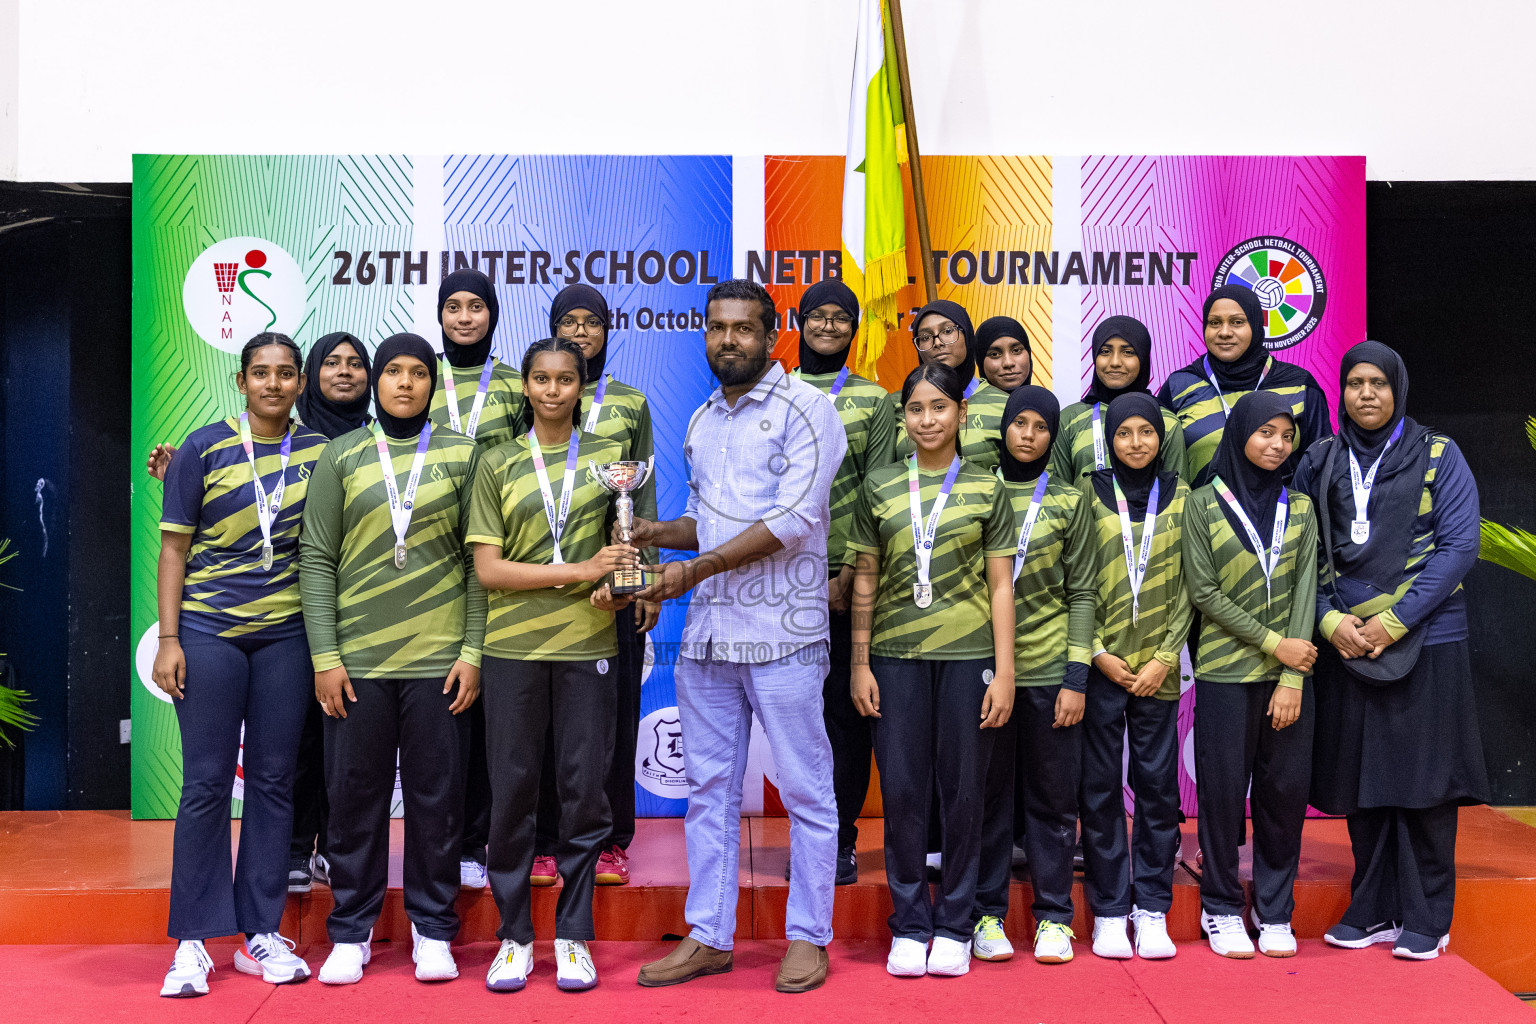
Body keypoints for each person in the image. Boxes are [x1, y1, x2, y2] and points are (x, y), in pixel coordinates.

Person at [627, 279, 845, 994]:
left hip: (784, 635)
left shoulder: (809, 411)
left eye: (743, 329)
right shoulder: (701, 418)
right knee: (709, 791)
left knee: (808, 792)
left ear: (771, 333)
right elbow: (709, 518)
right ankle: (709, 935)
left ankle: (809, 936)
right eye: (717, 328)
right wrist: (659, 534)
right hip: (711, 639)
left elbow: (792, 521)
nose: (729, 340)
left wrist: (693, 569)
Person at [299, 333, 485, 986]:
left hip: (440, 659)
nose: (404, 384)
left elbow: (477, 561)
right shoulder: (342, 456)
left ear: (434, 383)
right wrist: (325, 655)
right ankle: (350, 932)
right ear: (376, 382)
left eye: (418, 373)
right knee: (354, 801)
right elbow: (317, 558)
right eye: (393, 372)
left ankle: (433, 930)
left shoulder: (465, 455)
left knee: (438, 801)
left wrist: (472, 651)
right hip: (358, 661)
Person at [1292, 341, 1488, 961]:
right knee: (1363, 783)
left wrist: (1394, 622)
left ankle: (1428, 918)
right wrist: (1327, 622)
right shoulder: (1320, 458)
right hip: (1346, 640)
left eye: (1378, 383)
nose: (1366, 394)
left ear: (1397, 389)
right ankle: (1373, 908)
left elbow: (1459, 546)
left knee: (1426, 785)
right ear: (1342, 391)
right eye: (1355, 383)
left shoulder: (1439, 454)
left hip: (1427, 638)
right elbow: (1300, 552)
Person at [152, 333, 327, 997]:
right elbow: (174, 552)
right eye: (261, 373)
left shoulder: (320, 453)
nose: (274, 384)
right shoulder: (201, 447)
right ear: (241, 380)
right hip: (208, 634)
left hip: (287, 638)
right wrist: (170, 639)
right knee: (203, 784)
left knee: (275, 781)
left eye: (286, 373)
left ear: (301, 383)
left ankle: (260, 932)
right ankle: (192, 942)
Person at [465, 337, 640, 993]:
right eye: (540, 379)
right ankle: (513, 937)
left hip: (589, 645)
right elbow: (488, 569)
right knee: (512, 795)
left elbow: (623, 552)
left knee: (584, 795)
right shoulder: (497, 463)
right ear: (526, 387)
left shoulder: (609, 462)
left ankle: (573, 936)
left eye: (565, 380)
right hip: (512, 649)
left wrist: (613, 584)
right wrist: (578, 571)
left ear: (581, 386)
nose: (551, 391)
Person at [848, 361, 1017, 979]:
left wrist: (1005, 671)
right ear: (902, 417)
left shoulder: (987, 487)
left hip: (969, 656)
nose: (927, 419)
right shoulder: (880, 486)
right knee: (902, 791)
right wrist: (859, 663)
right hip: (894, 658)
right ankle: (911, 923)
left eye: (939, 408)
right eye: (916, 409)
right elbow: (864, 579)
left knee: (965, 792)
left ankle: (956, 924)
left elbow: (1002, 586)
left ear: (962, 416)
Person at [530, 284, 659, 890]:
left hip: (613, 583)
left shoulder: (629, 403)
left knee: (612, 719)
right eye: (569, 322)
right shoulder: (534, 394)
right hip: (544, 584)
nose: (581, 332)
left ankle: (611, 839)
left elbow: (645, 504)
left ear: (609, 331)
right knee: (547, 724)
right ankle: (545, 839)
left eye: (592, 323)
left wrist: (646, 581)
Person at [1184, 391, 1319, 959]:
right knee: (1220, 796)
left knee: (1284, 796)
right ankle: (1219, 908)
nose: (1277, 444)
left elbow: (1307, 589)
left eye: (1286, 436)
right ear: (1240, 434)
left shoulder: (1303, 508)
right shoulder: (1201, 504)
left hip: (1288, 680)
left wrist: (1291, 676)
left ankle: (1274, 910)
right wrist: (1274, 645)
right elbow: (1203, 591)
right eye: (1265, 433)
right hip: (1224, 672)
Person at [973, 385, 1095, 966]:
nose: (1028, 434)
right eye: (1018, 423)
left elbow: (1082, 593)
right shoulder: (973, 489)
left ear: (1053, 435)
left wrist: (1076, 677)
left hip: (1049, 671)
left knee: (1051, 801)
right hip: (985, 674)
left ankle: (1053, 919)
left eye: (1040, 426)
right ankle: (987, 914)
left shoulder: (1071, 501)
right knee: (989, 798)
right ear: (1002, 428)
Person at [1071, 392, 1192, 961]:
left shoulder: (1184, 495)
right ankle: (1111, 910)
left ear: (1161, 438)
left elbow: (1194, 583)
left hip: (1158, 670)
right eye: (1125, 434)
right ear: (1110, 439)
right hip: (1103, 667)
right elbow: (1076, 580)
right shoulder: (1085, 495)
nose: (1137, 442)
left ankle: (1151, 907)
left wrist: (1167, 656)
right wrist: (1095, 652)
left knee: (1157, 790)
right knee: (1098, 792)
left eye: (1147, 432)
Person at [790, 279, 897, 885]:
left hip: (845, 581)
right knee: (792, 716)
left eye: (841, 318)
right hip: (779, 582)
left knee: (844, 718)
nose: (829, 327)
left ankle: (839, 841)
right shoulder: (769, 390)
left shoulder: (875, 401)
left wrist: (852, 573)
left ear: (855, 328)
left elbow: (879, 494)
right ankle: (807, 835)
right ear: (799, 322)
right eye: (818, 316)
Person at [429, 269, 523, 892]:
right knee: (445, 712)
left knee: (492, 713)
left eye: (476, 307)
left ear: (493, 314)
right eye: (453, 307)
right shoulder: (419, 374)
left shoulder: (518, 384)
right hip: (430, 554)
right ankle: (446, 841)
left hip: (497, 552)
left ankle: (481, 841)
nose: (464, 318)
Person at [286, 332, 373, 893]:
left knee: (347, 741)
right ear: (312, 373)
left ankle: (337, 849)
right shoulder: (286, 441)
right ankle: (296, 849)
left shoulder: (383, 440)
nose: (345, 373)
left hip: (367, 613)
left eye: (356, 364)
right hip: (294, 612)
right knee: (298, 737)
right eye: (332, 364)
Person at [1158, 285, 1329, 486]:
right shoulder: (1180, 386)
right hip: (1201, 515)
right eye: (1214, 323)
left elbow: (1320, 469)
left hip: (1285, 515)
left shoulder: (1299, 386)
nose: (1224, 332)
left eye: (1237, 322)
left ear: (1256, 325)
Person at [1052, 315, 1186, 483]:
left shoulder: (1166, 422)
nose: (1115, 362)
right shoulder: (1068, 420)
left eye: (1128, 352)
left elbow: (1179, 496)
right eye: (1105, 351)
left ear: (1143, 358)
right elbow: (1060, 496)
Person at [893, 300, 1009, 471]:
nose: (938, 342)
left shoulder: (1004, 405)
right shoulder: (896, 403)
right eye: (925, 337)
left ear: (967, 335)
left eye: (947, 331)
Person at [975, 315, 1033, 393]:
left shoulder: (1045, 403)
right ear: (980, 361)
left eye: (1016, 350)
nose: (1008, 363)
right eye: (995, 354)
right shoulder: (965, 404)